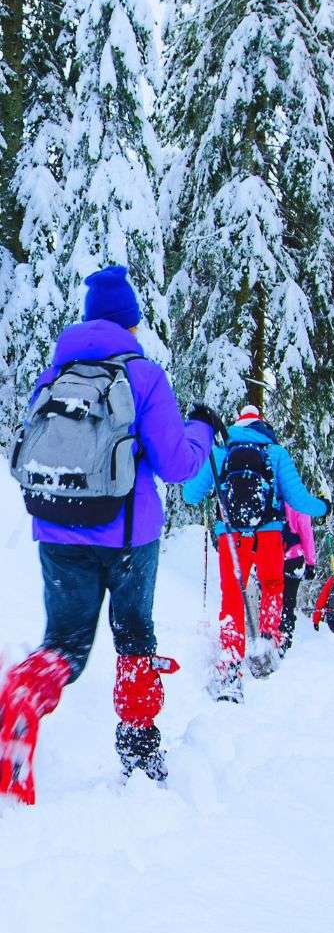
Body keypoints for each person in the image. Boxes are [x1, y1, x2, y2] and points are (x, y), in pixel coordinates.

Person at [0, 265, 220, 804]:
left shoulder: (53, 376)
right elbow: (176, 465)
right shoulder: (143, 375)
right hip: (127, 539)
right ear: (131, 324)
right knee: (134, 637)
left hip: (57, 534)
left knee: (65, 644)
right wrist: (201, 428)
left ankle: (24, 692)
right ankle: (140, 754)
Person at [182, 404, 327, 687]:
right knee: (272, 586)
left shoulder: (221, 452)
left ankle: (230, 660)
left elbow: (190, 495)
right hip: (269, 535)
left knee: (232, 595)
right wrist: (325, 507)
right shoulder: (276, 453)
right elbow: (298, 501)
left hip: (232, 535)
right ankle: (268, 642)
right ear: (261, 424)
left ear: (238, 424)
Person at [279, 507, 317, 656]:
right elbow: (306, 532)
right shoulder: (297, 500)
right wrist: (310, 562)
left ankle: (270, 634)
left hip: (271, 555)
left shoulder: (272, 495)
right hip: (293, 557)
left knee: (272, 598)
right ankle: (285, 638)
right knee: (289, 602)